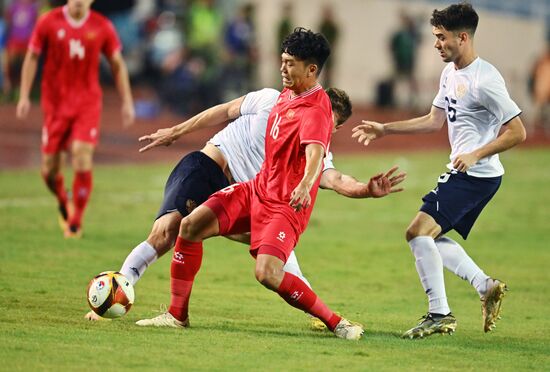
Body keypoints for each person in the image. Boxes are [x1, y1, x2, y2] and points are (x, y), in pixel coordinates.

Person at [84, 86, 406, 322]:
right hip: (211, 169)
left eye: (327, 125)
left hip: (251, 198)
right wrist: (177, 131)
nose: (319, 125)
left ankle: (319, 314)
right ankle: (117, 293)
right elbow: (224, 111)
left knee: (277, 255)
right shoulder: (270, 101)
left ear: (333, 129)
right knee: (167, 230)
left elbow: (335, 179)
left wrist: (365, 189)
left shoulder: (316, 153)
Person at [135, 27, 358, 340]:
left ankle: (338, 323)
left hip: (283, 206)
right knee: (190, 227)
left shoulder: (317, 110)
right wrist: (177, 131)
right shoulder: (284, 95)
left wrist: (307, 184)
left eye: (290, 63)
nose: (283, 67)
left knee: (267, 273)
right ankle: (177, 315)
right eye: (282, 60)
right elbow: (227, 110)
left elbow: (316, 154)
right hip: (256, 190)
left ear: (311, 69)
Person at [353, 2, 526, 339]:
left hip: (476, 176)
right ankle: (484, 285)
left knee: (417, 232)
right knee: (428, 236)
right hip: (469, 174)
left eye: (441, 37)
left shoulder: (485, 80)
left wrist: (477, 153)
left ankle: (440, 314)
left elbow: (518, 131)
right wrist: (385, 129)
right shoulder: (450, 73)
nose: (435, 44)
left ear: (463, 37)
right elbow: (434, 121)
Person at [16, 0, 135, 238]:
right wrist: (24, 96)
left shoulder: (102, 26)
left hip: (87, 103)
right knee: (49, 171)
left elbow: (117, 64)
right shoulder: (48, 21)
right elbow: (31, 56)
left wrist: (127, 100)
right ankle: (63, 198)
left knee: (81, 155)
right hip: (55, 105)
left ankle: (75, 221)